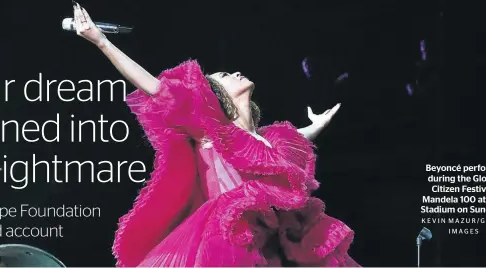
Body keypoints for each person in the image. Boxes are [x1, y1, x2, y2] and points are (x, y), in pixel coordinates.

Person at [71, 3, 359, 267]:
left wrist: (317, 124)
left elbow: (295, 138)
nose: (234, 72)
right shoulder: (210, 129)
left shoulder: (267, 140)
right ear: (214, 96)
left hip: (272, 244)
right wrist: (102, 41)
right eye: (224, 76)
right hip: (229, 237)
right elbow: (155, 87)